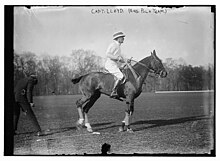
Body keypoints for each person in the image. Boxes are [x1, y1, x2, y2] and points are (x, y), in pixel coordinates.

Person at [14, 72, 43, 136]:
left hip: (14, 98)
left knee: (15, 114)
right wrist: (30, 102)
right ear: (34, 79)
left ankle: (13, 131)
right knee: (31, 114)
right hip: (21, 98)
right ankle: (38, 131)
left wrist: (22, 108)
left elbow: (17, 90)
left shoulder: (22, 80)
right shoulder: (31, 80)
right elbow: (29, 91)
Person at [105, 31, 130, 97]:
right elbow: (107, 54)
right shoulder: (113, 45)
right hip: (110, 65)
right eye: (122, 37)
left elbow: (120, 59)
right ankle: (114, 91)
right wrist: (117, 58)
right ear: (117, 38)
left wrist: (126, 61)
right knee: (121, 76)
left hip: (114, 64)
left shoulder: (118, 47)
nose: (123, 39)